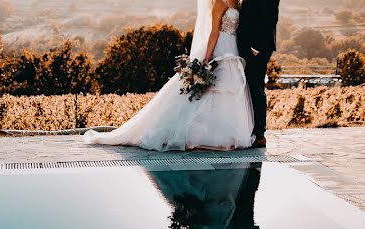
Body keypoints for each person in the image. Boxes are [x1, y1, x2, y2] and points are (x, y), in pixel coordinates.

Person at [85, 0, 254, 151]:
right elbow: (214, 32)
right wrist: (207, 58)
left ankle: (224, 136)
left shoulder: (236, 2)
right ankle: (195, 134)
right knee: (212, 90)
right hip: (221, 49)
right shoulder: (219, 3)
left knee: (229, 91)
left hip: (233, 48)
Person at [238, 0, 281, 148]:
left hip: (256, 48)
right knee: (248, 87)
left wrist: (256, 47)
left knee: (256, 88)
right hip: (247, 46)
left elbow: (270, 17)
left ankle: (259, 134)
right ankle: (249, 129)